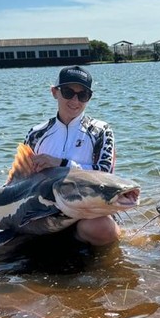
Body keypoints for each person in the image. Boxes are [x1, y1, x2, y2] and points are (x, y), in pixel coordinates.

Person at [23, 65, 119, 246]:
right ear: (54, 92)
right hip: (43, 213)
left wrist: (60, 163)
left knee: (103, 229)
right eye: (68, 92)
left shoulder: (101, 131)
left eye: (83, 95)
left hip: (87, 214)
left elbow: (105, 176)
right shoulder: (36, 133)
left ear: (89, 98)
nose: (75, 100)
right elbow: (20, 179)